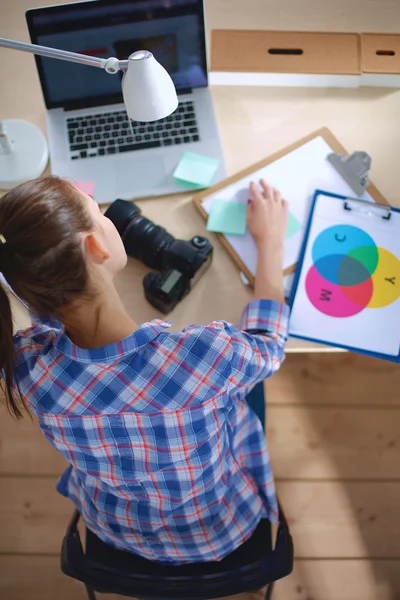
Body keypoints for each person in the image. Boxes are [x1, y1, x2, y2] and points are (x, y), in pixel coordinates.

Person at [0, 176, 289, 565]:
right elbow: (269, 347)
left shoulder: (26, 367)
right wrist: (270, 242)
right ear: (96, 246)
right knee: (247, 389)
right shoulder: (204, 356)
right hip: (220, 530)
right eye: (99, 213)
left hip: (113, 528)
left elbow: (47, 322)